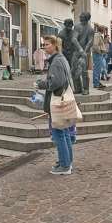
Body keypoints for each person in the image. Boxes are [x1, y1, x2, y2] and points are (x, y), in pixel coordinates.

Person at [37, 33, 75, 175]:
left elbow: (56, 83)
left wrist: (41, 84)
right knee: (64, 133)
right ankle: (67, 162)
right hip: (63, 100)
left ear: (55, 45)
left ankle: (64, 166)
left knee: (59, 134)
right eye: (44, 44)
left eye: (47, 44)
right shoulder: (61, 59)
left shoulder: (57, 61)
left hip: (58, 101)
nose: (45, 47)